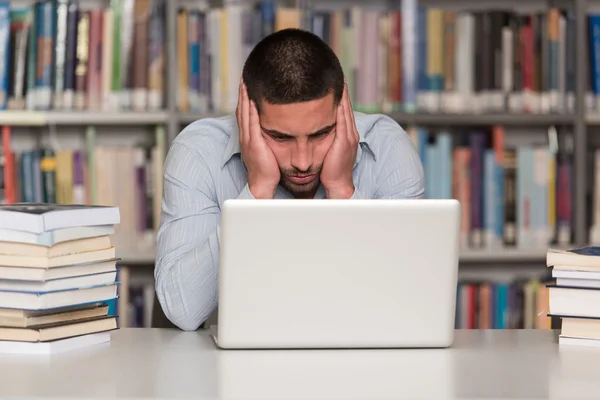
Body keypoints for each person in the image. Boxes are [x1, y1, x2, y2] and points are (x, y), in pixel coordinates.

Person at [155, 28, 425, 331]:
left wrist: (342, 192)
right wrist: (256, 193)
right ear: (247, 116)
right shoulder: (198, 153)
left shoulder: (387, 148)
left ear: (342, 108)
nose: (302, 161)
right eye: (280, 137)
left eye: (321, 133)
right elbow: (183, 311)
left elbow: (409, 305)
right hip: (237, 368)